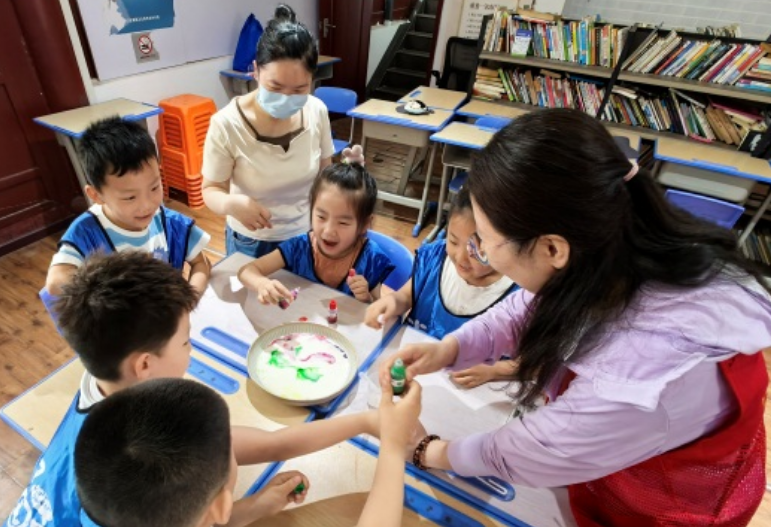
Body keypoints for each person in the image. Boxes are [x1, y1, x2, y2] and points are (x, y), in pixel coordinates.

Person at [381, 109, 771, 527]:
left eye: (485, 243)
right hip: (613, 459)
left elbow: (526, 452)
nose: (480, 254)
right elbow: (524, 310)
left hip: (664, 503)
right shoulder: (605, 254)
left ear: (552, 249)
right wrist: (449, 349)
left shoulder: (640, 379)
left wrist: (426, 449)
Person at [5, 252, 381, 527]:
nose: (191, 351)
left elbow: (269, 445)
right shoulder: (132, 475)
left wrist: (366, 422)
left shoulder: (107, 394)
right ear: (144, 365)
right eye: (186, 342)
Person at [74, 376, 422, 527]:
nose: (232, 443)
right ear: (219, 507)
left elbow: (276, 443)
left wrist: (367, 421)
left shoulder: (109, 485)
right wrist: (392, 448)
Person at [202, 4, 363, 259]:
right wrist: (231, 203)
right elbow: (211, 189)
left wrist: (347, 170)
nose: (287, 97)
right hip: (252, 240)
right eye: (276, 87)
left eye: (299, 89)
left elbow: (324, 176)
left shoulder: (316, 111)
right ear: (256, 71)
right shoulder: (227, 124)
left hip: (305, 233)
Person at [365, 187, 518, 388]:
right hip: (413, 375)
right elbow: (406, 296)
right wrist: (392, 302)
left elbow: (539, 363)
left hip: (467, 393)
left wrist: (494, 371)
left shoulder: (520, 293)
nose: (461, 257)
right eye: (453, 241)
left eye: (476, 250)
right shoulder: (435, 258)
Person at [45, 116, 211, 297]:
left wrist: (189, 300)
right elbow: (55, 283)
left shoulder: (170, 223)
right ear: (96, 195)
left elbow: (201, 263)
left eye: (154, 187)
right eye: (130, 197)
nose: (147, 205)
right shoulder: (86, 232)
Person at [238, 163, 395, 304]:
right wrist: (261, 283)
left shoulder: (371, 258)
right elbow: (246, 271)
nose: (328, 230)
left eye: (343, 223)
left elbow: (377, 308)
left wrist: (366, 298)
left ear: (364, 224)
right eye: (321, 217)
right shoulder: (298, 247)